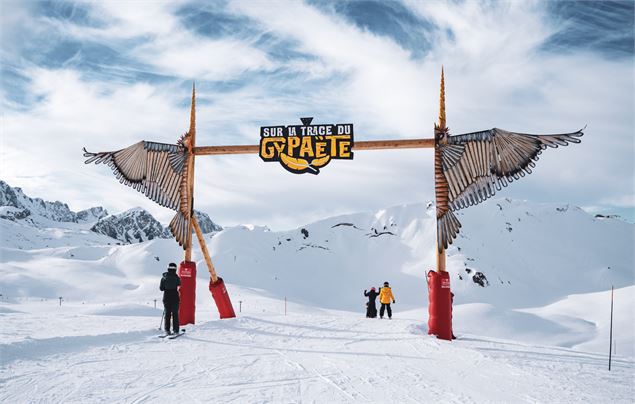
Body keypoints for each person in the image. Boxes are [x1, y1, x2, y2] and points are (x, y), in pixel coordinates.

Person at [160, 262, 181, 335]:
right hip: (175, 297)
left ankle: (167, 330)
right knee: (175, 314)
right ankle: (176, 330)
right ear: (175, 269)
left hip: (166, 297)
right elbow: (179, 284)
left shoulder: (164, 277)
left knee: (167, 314)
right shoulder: (176, 277)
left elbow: (161, 288)